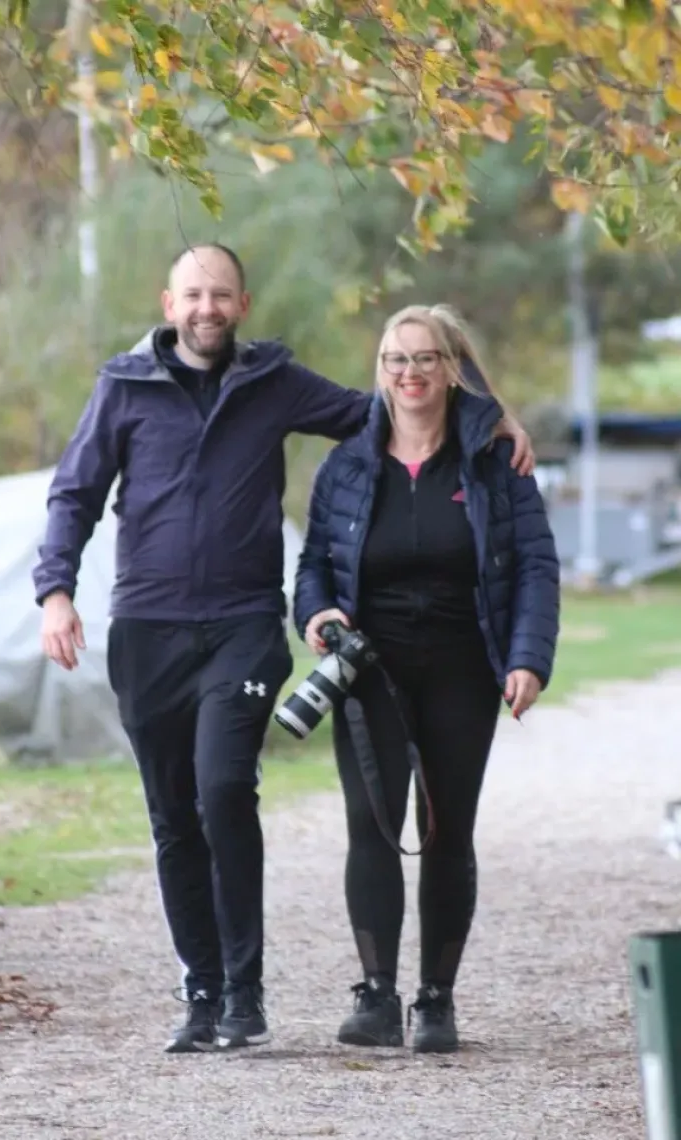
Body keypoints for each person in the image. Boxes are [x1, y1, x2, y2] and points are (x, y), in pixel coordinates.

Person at [33, 246, 536, 1055]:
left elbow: (394, 403)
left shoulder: (274, 383)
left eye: (221, 295)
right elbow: (75, 492)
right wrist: (55, 591)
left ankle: (244, 990)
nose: (207, 308)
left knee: (225, 788)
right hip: (146, 629)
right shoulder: (121, 389)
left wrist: (489, 416)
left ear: (243, 303)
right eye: (193, 294)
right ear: (169, 302)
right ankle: (202, 992)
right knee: (171, 817)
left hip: (242, 626)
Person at [294, 303, 560, 1054]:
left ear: (451, 369)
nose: (408, 373)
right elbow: (313, 562)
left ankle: (436, 1000)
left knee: (447, 832)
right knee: (371, 826)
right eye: (394, 360)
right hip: (367, 668)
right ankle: (377, 995)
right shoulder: (348, 460)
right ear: (379, 371)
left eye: (424, 359)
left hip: (460, 667)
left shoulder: (493, 461)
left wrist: (527, 658)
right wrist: (315, 613)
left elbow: (536, 564)